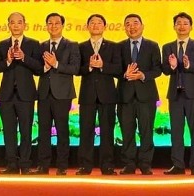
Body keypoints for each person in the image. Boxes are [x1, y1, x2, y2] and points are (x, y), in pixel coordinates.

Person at [0, 12, 43, 175]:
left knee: (26, 131)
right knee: (9, 131)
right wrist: (8, 61)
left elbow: (39, 68)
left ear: (24, 25)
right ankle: (12, 165)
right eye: (12, 22)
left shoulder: (33, 44)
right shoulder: (1, 45)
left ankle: (25, 165)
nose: (16, 25)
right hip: (7, 95)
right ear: (8, 25)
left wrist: (24, 57)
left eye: (19, 22)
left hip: (26, 95)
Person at [161, 12, 194, 176]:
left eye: (185, 23)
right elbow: (164, 70)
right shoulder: (167, 47)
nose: (182, 26)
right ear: (174, 26)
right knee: (176, 131)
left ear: (191, 26)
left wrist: (188, 66)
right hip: (175, 95)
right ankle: (178, 165)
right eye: (178, 23)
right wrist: (172, 66)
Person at [76, 14, 122, 176]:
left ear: (104, 26)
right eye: (92, 23)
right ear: (87, 26)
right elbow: (76, 69)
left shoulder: (114, 47)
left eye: (99, 23)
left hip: (107, 95)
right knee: (85, 131)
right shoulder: (81, 47)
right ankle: (85, 165)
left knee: (107, 132)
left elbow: (119, 69)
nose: (95, 25)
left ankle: (107, 165)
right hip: (87, 95)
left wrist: (103, 65)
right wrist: (88, 67)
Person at [34, 13, 80, 176]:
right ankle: (43, 165)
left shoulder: (71, 45)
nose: (53, 26)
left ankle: (62, 165)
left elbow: (75, 68)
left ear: (62, 25)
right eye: (50, 23)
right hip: (44, 94)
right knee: (43, 131)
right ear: (46, 26)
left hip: (62, 94)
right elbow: (37, 69)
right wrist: (45, 67)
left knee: (62, 130)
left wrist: (56, 64)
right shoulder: (41, 46)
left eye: (57, 23)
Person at [117, 13, 161, 175]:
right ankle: (129, 164)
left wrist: (143, 75)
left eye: (135, 23)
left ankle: (145, 164)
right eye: (128, 24)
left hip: (146, 95)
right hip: (125, 96)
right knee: (127, 131)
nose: (132, 27)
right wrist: (124, 74)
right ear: (124, 28)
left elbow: (158, 69)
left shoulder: (152, 45)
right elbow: (114, 69)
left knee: (146, 131)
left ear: (142, 26)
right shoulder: (119, 47)